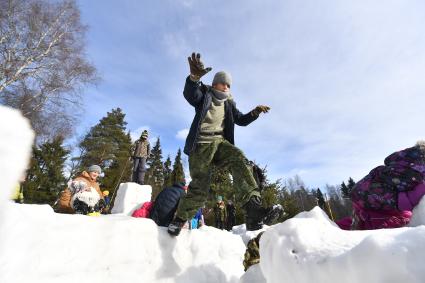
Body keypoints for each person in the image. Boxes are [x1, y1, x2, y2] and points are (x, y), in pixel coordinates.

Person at [168, 52, 281, 236]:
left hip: (219, 143)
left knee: (239, 158)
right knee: (200, 188)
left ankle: (253, 210)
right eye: (223, 83)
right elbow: (191, 95)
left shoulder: (229, 103)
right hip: (201, 146)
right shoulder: (204, 94)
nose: (226, 87)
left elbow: (241, 120)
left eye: (229, 85)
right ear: (214, 84)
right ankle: (179, 219)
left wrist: (255, 112)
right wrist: (194, 78)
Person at [338, 141, 425, 230]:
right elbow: (411, 198)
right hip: (375, 206)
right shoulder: (412, 171)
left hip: (372, 204)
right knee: (396, 227)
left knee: (405, 219)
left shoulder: (404, 163)